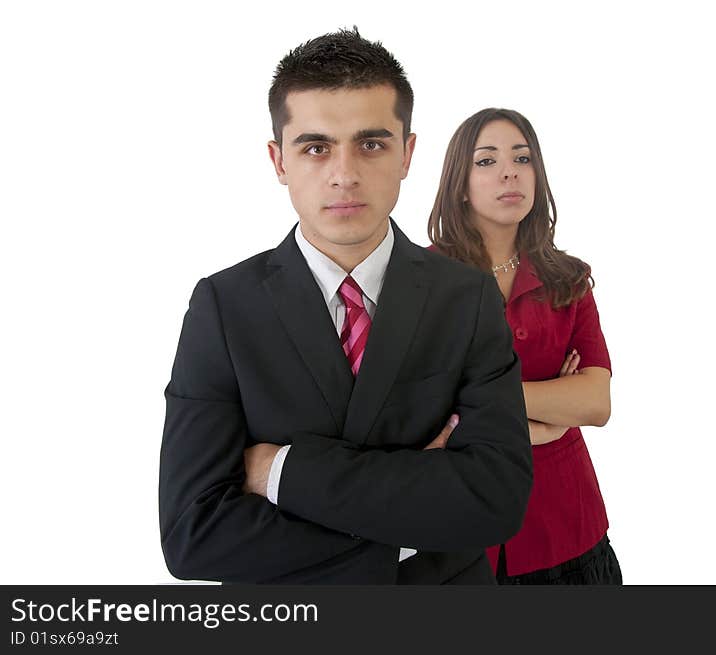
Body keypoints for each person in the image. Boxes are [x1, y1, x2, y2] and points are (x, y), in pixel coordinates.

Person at [158, 30, 532, 585]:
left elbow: (495, 501)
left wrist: (280, 470)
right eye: (315, 147)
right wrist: (410, 529)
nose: (344, 174)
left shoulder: (467, 297)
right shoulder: (223, 307)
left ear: (407, 154)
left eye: (372, 144)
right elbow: (195, 537)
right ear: (278, 160)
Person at [428, 108, 621, 584]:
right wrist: (551, 410)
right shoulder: (421, 283)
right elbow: (422, 415)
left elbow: (596, 403)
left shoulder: (568, 278)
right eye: (486, 160)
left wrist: (482, 406)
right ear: (460, 181)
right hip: (464, 532)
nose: (510, 171)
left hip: (570, 528)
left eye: (523, 157)